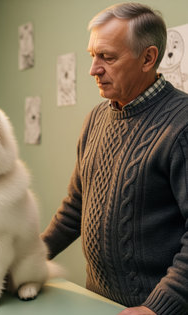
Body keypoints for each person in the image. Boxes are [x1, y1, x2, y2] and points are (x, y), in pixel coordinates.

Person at [41, 3, 188, 315]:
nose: (93, 69)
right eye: (92, 55)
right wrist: (28, 259)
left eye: (107, 57)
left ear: (148, 58)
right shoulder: (95, 119)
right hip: (100, 304)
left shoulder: (183, 124)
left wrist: (155, 308)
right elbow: (74, 209)